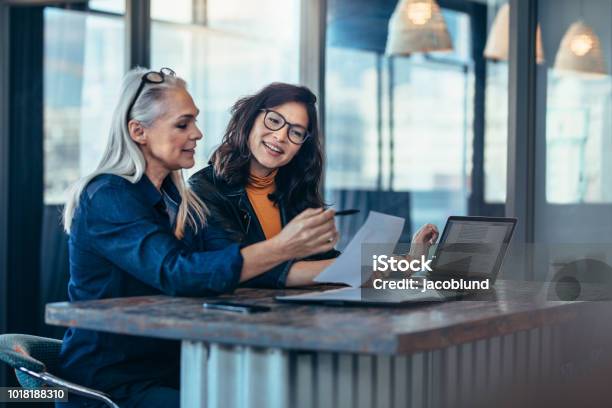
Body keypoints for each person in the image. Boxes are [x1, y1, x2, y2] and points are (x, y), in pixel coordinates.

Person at [58, 69, 337, 408]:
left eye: (195, 122)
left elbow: (240, 264)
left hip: (173, 369)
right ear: (138, 131)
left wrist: (371, 270)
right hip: (113, 384)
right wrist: (283, 246)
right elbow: (178, 273)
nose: (198, 133)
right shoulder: (107, 196)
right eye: (182, 124)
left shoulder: (180, 202)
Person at [189, 83, 439, 288]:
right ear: (250, 119)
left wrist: (411, 260)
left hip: (297, 319)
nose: (280, 137)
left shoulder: (293, 190)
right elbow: (244, 268)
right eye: (274, 120)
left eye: (296, 132)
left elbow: (328, 263)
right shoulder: (205, 189)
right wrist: (352, 270)